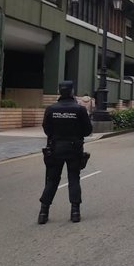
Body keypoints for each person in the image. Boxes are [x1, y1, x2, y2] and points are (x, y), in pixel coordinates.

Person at [38, 80, 93, 224]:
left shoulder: (51, 109)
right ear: (72, 92)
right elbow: (88, 130)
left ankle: (43, 212)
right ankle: (75, 212)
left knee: (52, 180)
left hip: (55, 148)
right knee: (74, 178)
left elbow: (46, 129)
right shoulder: (79, 110)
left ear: (59, 92)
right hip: (74, 148)